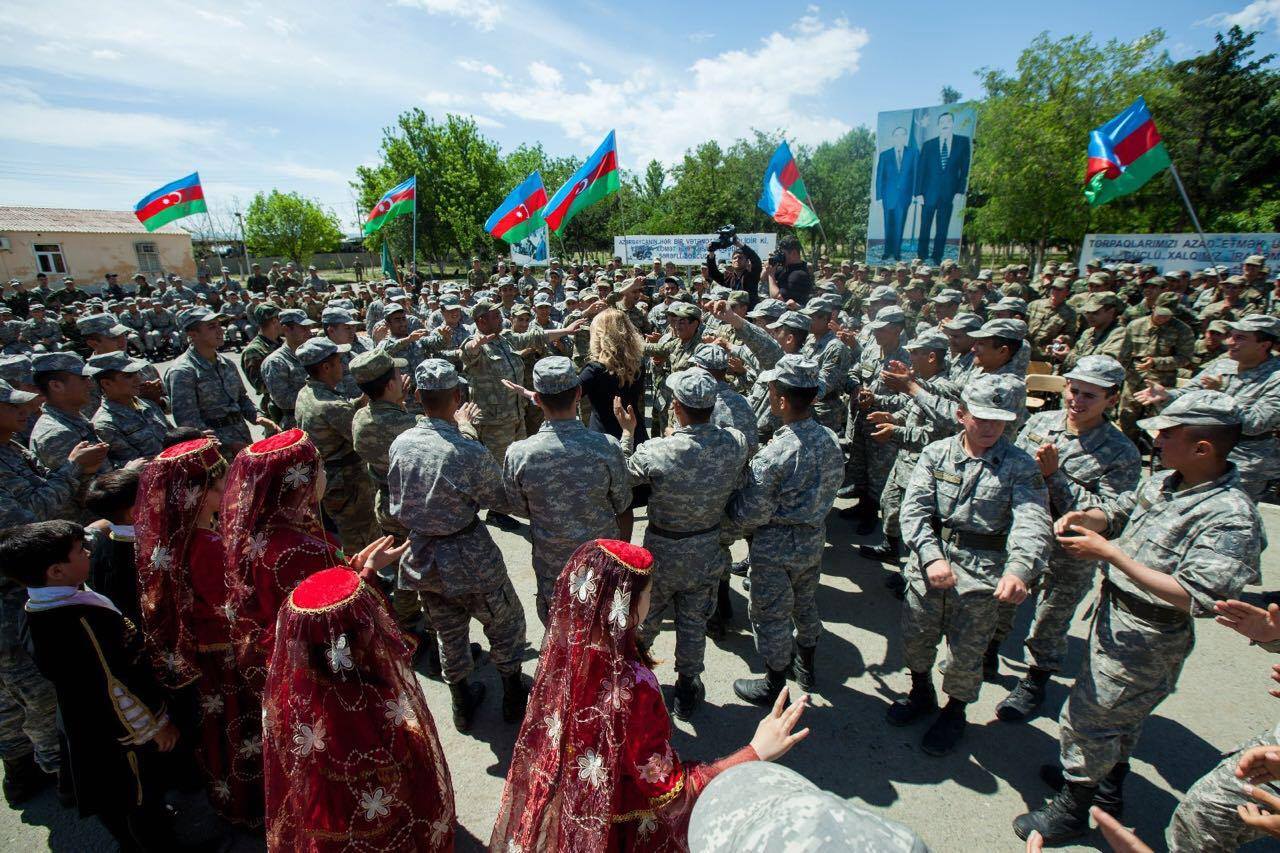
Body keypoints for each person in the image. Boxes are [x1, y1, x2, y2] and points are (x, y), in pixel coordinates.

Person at [1014, 390, 1265, 843]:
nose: (1158, 442)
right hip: (1116, 618)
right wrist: (1089, 517)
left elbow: (1199, 596)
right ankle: (1104, 788)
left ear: (1202, 448)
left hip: (1150, 635)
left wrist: (1109, 552)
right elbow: (1120, 512)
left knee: (1087, 719)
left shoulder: (1230, 515)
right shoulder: (1167, 481)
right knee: (1118, 719)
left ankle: (1072, 809)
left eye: (1168, 435)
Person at [490, 539, 811, 852]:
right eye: (648, 592)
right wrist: (756, 752)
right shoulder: (633, 686)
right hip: (617, 824)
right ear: (627, 608)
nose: (652, 598)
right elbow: (671, 793)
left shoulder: (565, 655)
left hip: (575, 804)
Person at [891, 373, 1052, 757]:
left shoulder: (1020, 466)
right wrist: (930, 556)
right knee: (916, 638)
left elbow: (1033, 521)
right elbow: (914, 511)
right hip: (930, 568)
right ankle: (920, 691)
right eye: (982, 417)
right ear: (962, 415)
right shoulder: (937, 453)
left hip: (984, 576)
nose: (991, 427)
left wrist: (1019, 569)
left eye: (1000, 419)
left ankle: (955, 711)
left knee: (966, 654)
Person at [0, 520, 181, 850]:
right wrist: (154, 726)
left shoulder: (39, 605)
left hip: (84, 723)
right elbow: (113, 685)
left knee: (122, 800)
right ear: (56, 571)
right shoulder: (79, 622)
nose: (88, 553)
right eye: (79, 551)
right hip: (120, 732)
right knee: (139, 798)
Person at [262, 566, 455, 852]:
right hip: (382, 814)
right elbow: (399, 761)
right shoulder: (367, 695)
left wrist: (364, 570)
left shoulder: (296, 690)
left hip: (329, 815)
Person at [993, 356, 1141, 722]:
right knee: (1003, 600)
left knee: (1050, 618)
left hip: (1070, 550)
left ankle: (1035, 679)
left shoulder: (1121, 451)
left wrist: (1055, 476)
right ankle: (987, 651)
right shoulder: (1041, 423)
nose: (1077, 400)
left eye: (1090, 395)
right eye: (1074, 391)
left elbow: (1112, 517)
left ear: (1112, 398)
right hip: (1021, 534)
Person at [388, 359, 528, 731]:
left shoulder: (401, 443)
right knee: (505, 622)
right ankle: (513, 692)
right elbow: (500, 498)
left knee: (447, 631)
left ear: (417, 396)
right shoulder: (466, 449)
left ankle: (461, 701)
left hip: (423, 555)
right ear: (457, 396)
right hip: (468, 553)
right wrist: (469, 434)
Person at [134, 437, 263, 825]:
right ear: (198, 493)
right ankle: (254, 805)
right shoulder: (205, 544)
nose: (229, 491)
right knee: (244, 731)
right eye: (221, 484)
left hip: (210, 653)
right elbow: (235, 607)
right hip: (229, 656)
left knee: (222, 731)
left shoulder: (183, 537)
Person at [613, 370, 749, 719]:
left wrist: (628, 434)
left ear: (675, 407)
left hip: (662, 551)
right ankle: (688, 685)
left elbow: (622, 475)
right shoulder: (734, 442)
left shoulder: (658, 450)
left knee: (645, 618)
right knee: (693, 621)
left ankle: (631, 678)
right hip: (707, 548)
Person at [728, 355, 843, 704]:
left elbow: (753, 511)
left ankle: (774, 682)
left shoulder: (776, 452)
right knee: (805, 602)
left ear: (780, 399)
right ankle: (806, 665)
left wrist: (729, 514)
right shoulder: (829, 438)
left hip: (776, 543)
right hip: (812, 537)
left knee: (770, 613)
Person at [502, 356, 631, 625]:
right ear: (578, 393)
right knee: (602, 633)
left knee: (561, 635)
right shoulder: (606, 446)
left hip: (554, 566)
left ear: (536, 399)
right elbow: (622, 503)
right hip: (601, 561)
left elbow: (517, 507)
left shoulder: (519, 453)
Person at [1136, 313, 1280, 501]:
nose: (1229, 342)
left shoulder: (1275, 378)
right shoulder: (1222, 365)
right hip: (1196, 455)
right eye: (1231, 335)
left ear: (1264, 345)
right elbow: (1190, 392)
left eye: (1240, 338)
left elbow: (1256, 423)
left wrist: (1222, 396)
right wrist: (1167, 395)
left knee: (1227, 517)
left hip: (1244, 462)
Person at [293, 338, 381, 554]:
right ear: (325, 367)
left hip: (329, 477)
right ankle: (364, 580)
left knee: (343, 531)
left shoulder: (306, 393)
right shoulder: (332, 406)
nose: (342, 366)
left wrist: (361, 401)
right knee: (361, 535)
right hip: (348, 482)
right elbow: (368, 441)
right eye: (338, 361)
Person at [167, 307, 275, 455]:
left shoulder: (226, 363)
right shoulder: (183, 372)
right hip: (215, 451)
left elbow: (242, 398)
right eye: (212, 327)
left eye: (219, 325)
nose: (220, 330)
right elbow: (188, 423)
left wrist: (257, 416)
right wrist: (226, 445)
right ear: (193, 335)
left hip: (241, 437)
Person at [86, 351, 172, 465]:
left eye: (136, 373)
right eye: (129, 376)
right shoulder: (105, 425)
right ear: (106, 383)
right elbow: (133, 465)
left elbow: (173, 435)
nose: (138, 379)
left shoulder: (147, 405)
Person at [914, 111, 971, 265]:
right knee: (925, 225)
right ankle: (922, 255)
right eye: (942, 121)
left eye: (948, 121)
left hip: (949, 193)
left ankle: (937, 256)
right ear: (938, 125)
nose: (945, 123)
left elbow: (964, 169)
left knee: (942, 226)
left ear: (952, 123)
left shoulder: (962, 142)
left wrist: (960, 190)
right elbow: (921, 170)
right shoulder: (929, 145)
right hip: (928, 193)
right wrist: (918, 193)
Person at [259, 308, 316, 431]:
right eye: (303, 328)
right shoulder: (276, 362)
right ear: (286, 329)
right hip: (296, 423)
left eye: (309, 327)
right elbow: (283, 400)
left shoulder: (311, 353)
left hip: (318, 417)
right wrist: (318, 393)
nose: (309, 332)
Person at [876, 126, 919, 262]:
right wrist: (879, 196)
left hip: (904, 197)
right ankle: (887, 251)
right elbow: (880, 176)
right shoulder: (885, 155)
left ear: (905, 137)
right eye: (897, 135)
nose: (900, 138)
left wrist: (915, 194)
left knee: (900, 223)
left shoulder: (913, 153)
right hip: (888, 197)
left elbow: (916, 174)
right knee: (888, 224)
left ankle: (896, 252)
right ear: (893, 138)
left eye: (902, 135)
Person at [764, 235, 813, 305]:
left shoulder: (799, 274)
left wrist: (771, 275)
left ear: (793, 253)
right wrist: (771, 262)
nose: (781, 256)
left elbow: (778, 299)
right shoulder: (784, 267)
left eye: (783, 254)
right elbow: (762, 278)